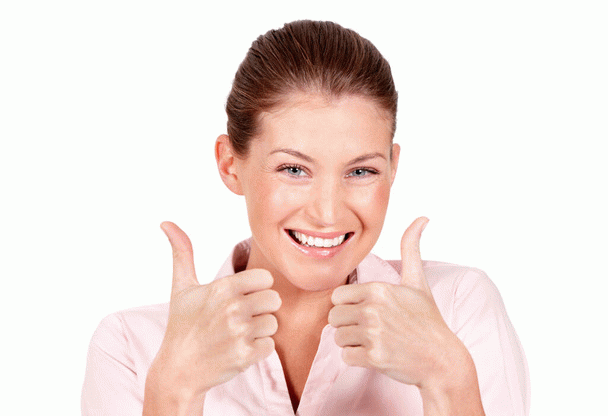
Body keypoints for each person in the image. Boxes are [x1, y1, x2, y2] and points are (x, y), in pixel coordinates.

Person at [81, 20, 530, 415]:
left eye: (361, 171)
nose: (327, 213)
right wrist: (174, 391)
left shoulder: (457, 309)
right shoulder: (131, 347)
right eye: (293, 169)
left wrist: (446, 377)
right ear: (230, 164)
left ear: (393, 167)